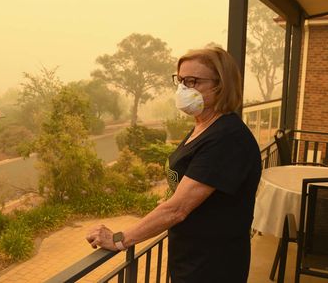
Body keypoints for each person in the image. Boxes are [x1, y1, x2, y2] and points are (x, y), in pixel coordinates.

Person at [86, 46, 261, 283]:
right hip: (191, 258)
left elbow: (177, 209)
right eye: (179, 81)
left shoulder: (226, 139)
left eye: (192, 81)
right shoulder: (203, 126)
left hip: (213, 266)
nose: (182, 89)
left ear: (220, 85)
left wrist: (119, 239)